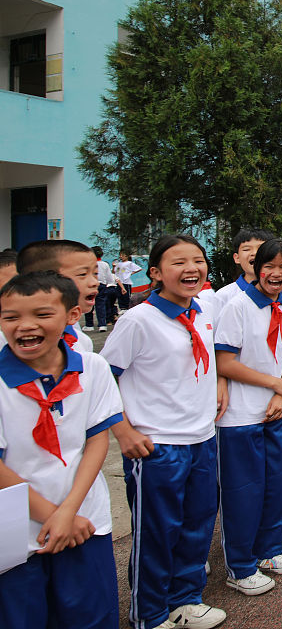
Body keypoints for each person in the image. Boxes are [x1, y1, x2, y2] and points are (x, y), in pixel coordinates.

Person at [103, 235, 226, 629]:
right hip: (158, 445)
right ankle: (150, 614)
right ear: (155, 272)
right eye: (179, 262)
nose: (192, 269)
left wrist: (218, 386)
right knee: (157, 533)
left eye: (198, 260)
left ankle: (185, 599)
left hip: (201, 437)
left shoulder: (202, 311)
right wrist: (123, 430)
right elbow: (103, 380)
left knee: (198, 524)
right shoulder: (138, 320)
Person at [0, 271, 123, 629]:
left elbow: (97, 438)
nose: (25, 326)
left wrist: (68, 513)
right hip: (16, 530)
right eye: (10, 317)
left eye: (42, 314)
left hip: (85, 519)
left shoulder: (92, 367)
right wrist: (53, 516)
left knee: (92, 616)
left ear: (72, 315)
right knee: (21, 617)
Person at [212, 238, 282, 596]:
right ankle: (240, 566)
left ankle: (269, 551)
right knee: (243, 491)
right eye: (269, 266)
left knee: (277, 485)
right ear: (256, 269)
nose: (277, 274)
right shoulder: (237, 306)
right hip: (241, 415)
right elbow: (225, 362)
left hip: (280, 409)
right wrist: (275, 384)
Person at [15, 240, 99, 353]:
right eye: (82, 274)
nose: (95, 282)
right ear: (43, 280)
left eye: (95, 273)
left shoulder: (81, 341)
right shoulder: (10, 338)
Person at [209, 229, 274, 319]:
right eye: (246, 249)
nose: (254, 253)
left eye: (261, 248)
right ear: (237, 258)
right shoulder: (223, 296)